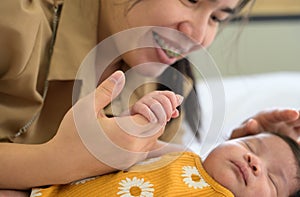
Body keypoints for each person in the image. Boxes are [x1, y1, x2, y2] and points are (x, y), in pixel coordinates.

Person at [0, 0, 300, 191]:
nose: (196, 36)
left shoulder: (162, 92)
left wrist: (224, 168)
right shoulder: (14, 22)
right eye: (191, 0)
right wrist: (55, 161)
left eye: (217, 17)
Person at [26, 132, 300, 197]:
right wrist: (142, 120)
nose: (254, 163)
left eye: (273, 179)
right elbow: (133, 145)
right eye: (250, 146)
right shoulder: (181, 154)